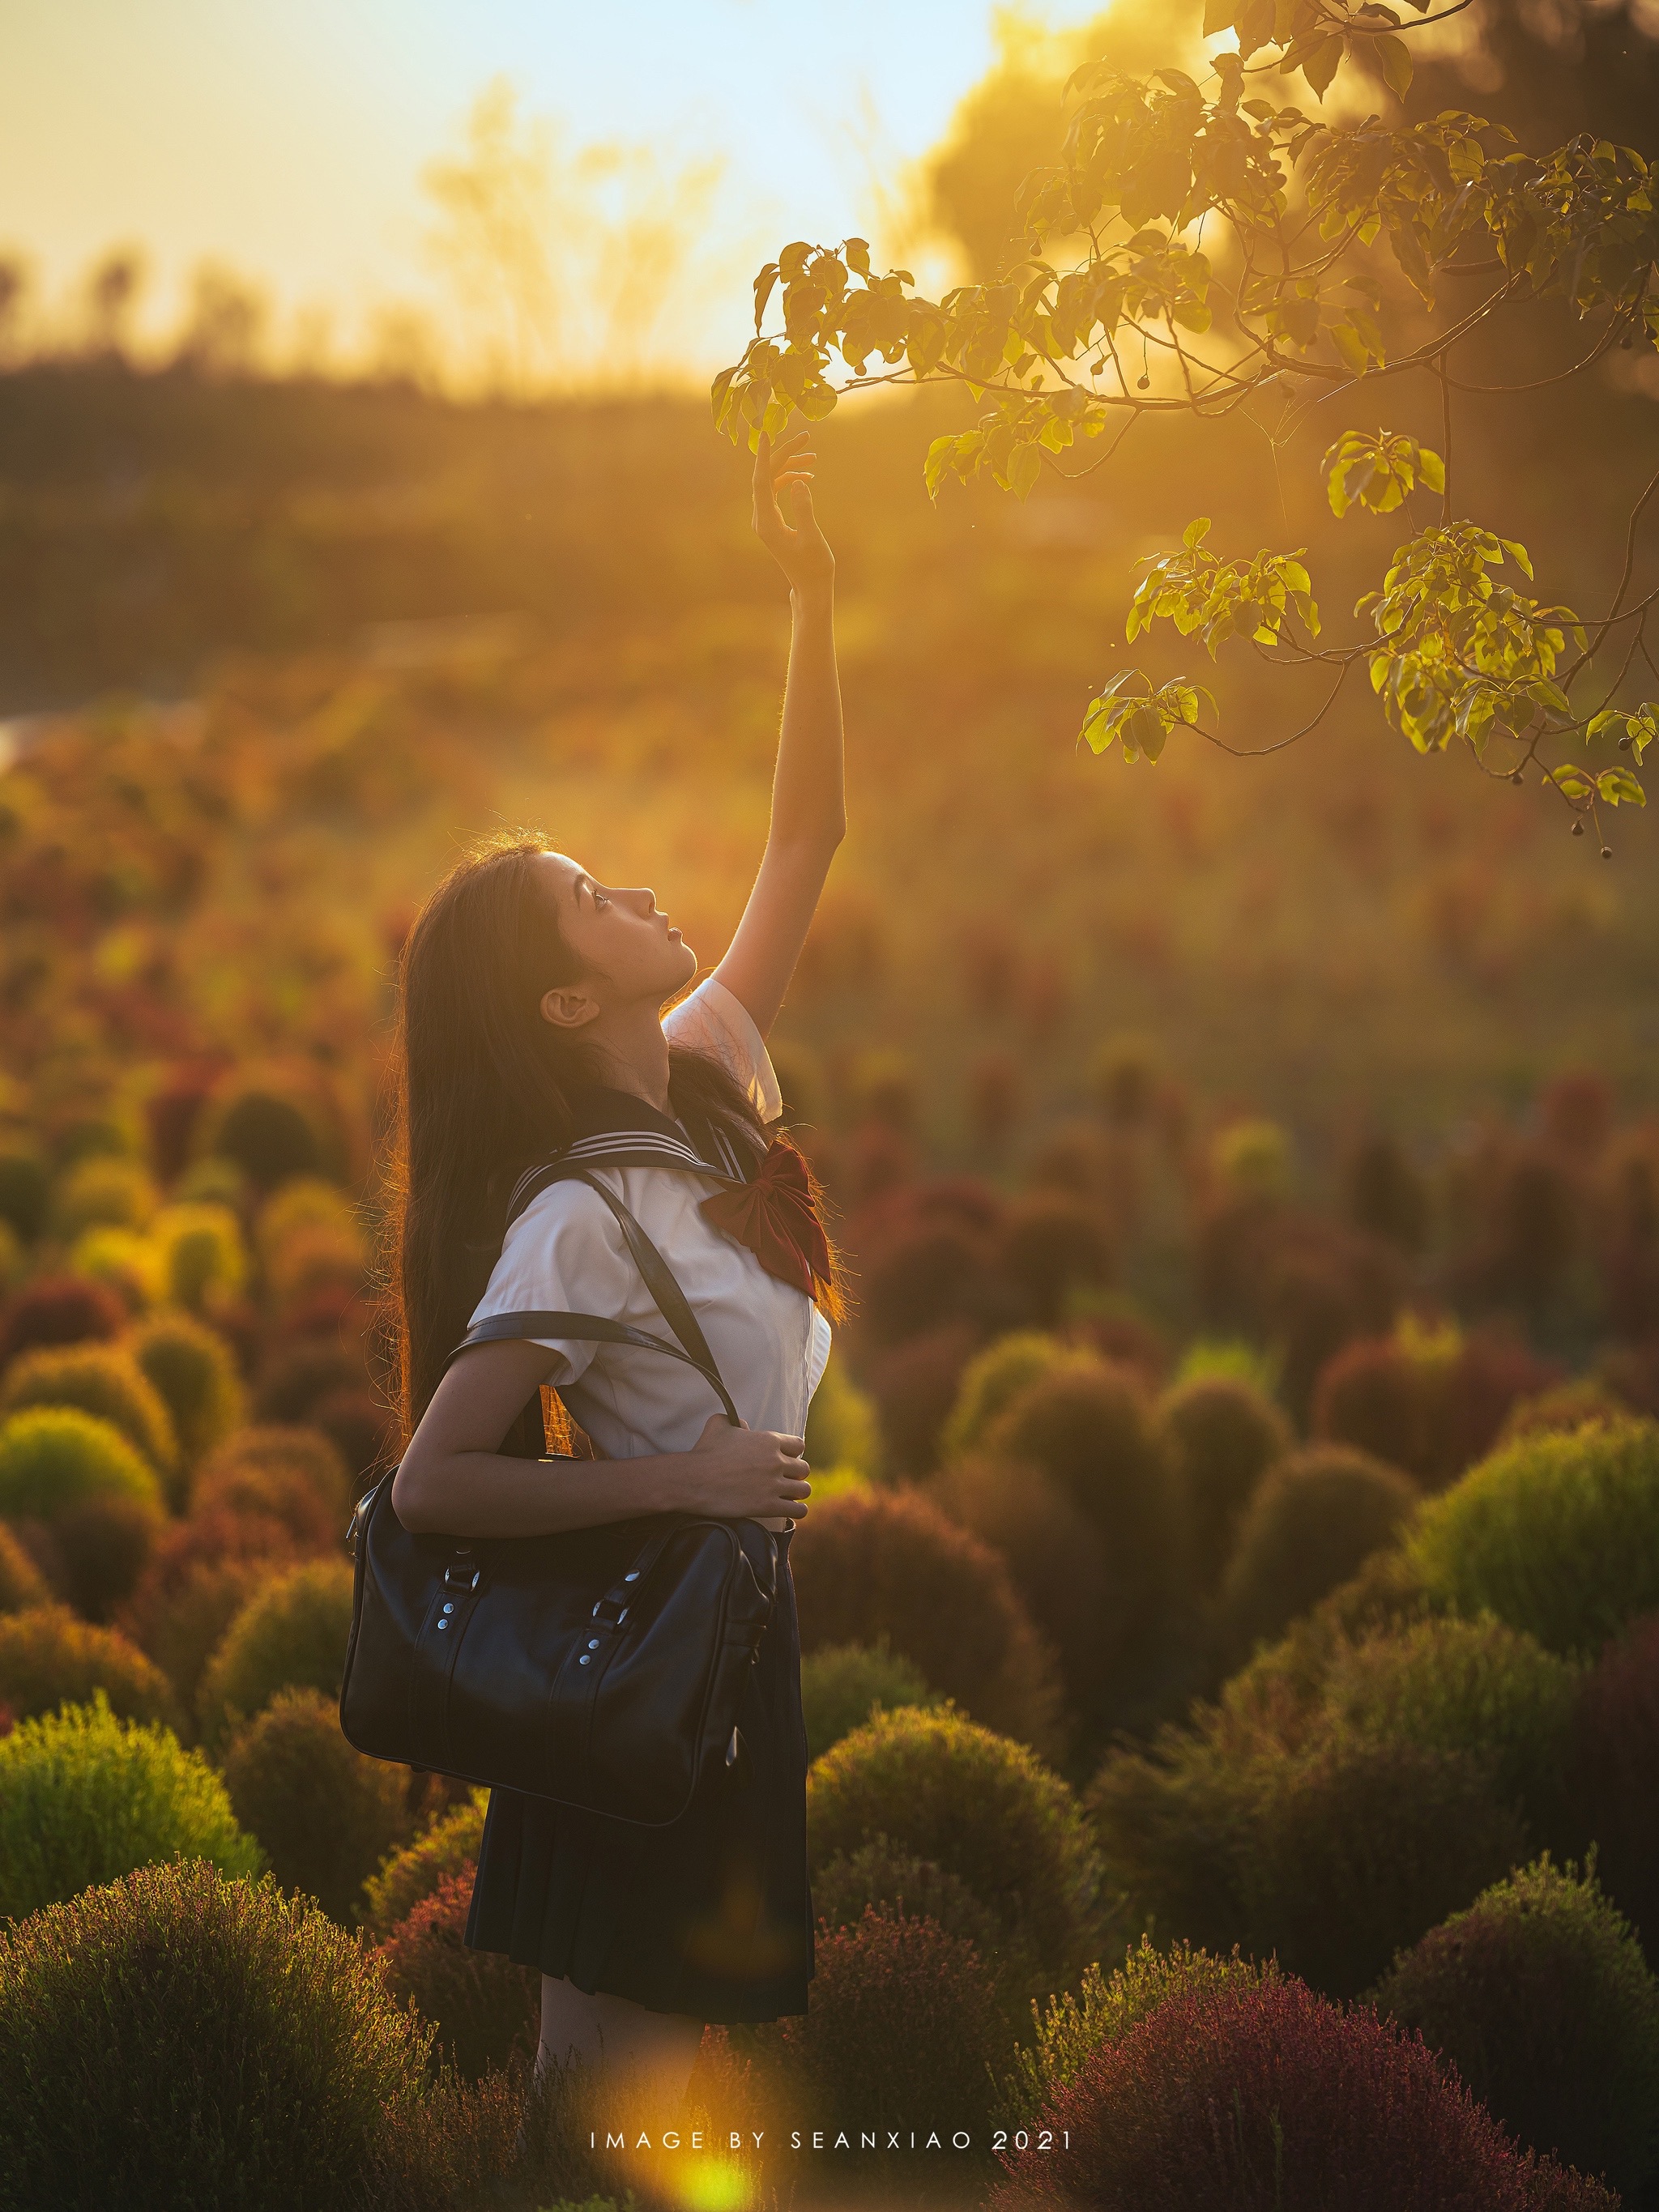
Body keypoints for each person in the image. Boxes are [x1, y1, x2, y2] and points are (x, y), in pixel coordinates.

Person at [386, 424, 844, 2120]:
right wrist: (688, 1475)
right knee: (609, 2108)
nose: (640, 888)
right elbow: (437, 1484)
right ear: (567, 1007)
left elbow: (805, 847)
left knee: (688, 2096)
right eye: (590, 899)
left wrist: (810, 602)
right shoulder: (571, 1218)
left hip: (731, 1647)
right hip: (640, 1657)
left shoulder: (712, 1082)